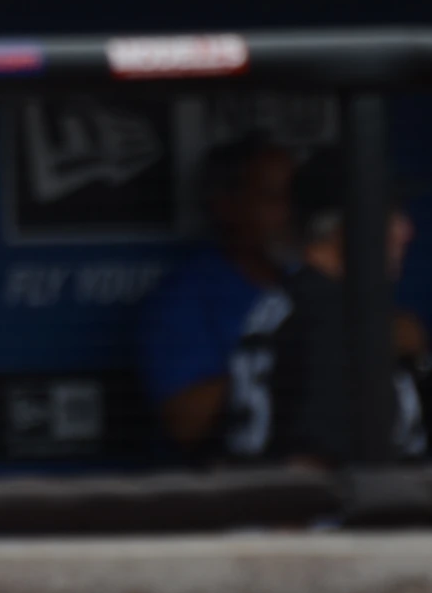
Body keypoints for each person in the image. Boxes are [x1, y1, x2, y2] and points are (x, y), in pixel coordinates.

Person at [137, 135, 297, 458]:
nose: (290, 214)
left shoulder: (311, 282)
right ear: (227, 207)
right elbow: (186, 421)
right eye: (273, 199)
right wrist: (296, 366)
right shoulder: (185, 298)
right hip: (220, 494)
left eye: (295, 199)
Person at [271, 147, 429, 464]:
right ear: (344, 226)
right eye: (392, 216)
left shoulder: (296, 300)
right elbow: (306, 472)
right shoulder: (331, 318)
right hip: (341, 510)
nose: (407, 232)